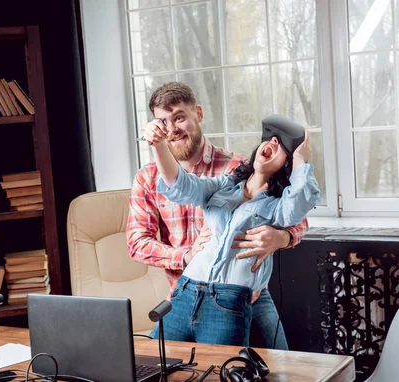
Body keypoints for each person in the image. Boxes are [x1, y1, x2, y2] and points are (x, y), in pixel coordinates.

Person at [126, 82, 309, 349]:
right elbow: (136, 242)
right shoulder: (147, 178)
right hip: (184, 294)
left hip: (249, 297)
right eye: (163, 122)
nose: (173, 129)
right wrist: (185, 256)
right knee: (156, 368)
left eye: (179, 117)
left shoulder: (239, 168)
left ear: (197, 113)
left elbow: (299, 219)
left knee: (283, 371)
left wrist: (280, 237)